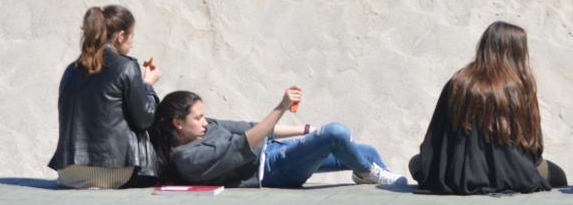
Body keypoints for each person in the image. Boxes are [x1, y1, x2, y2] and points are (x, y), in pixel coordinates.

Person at [410, 21, 567, 195]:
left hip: (457, 175)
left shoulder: (459, 81)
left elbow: (435, 136)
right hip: (513, 174)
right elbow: (533, 143)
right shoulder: (519, 85)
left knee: (415, 163)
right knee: (558, 175)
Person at [149, 88, 408, 188]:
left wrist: (308, 131)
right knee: (336, 132)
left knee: (367, 151)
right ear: (177, 123)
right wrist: (281, 107)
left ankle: (368, 172)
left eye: (204, 115)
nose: (205, 122)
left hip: (277, 150)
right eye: (198, 118)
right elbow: (243, 145)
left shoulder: (208, 126)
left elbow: (256, 128)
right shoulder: (187, 158)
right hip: (273, 169)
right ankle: (365, 173)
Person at [48, 5, 162, 189]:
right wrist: (148, 85)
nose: (132, 42)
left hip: (68, 172)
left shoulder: (71, 69)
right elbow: (145, 119)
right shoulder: (126, 67)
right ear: (121, 36)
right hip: (111, 171)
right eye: (132, 36)